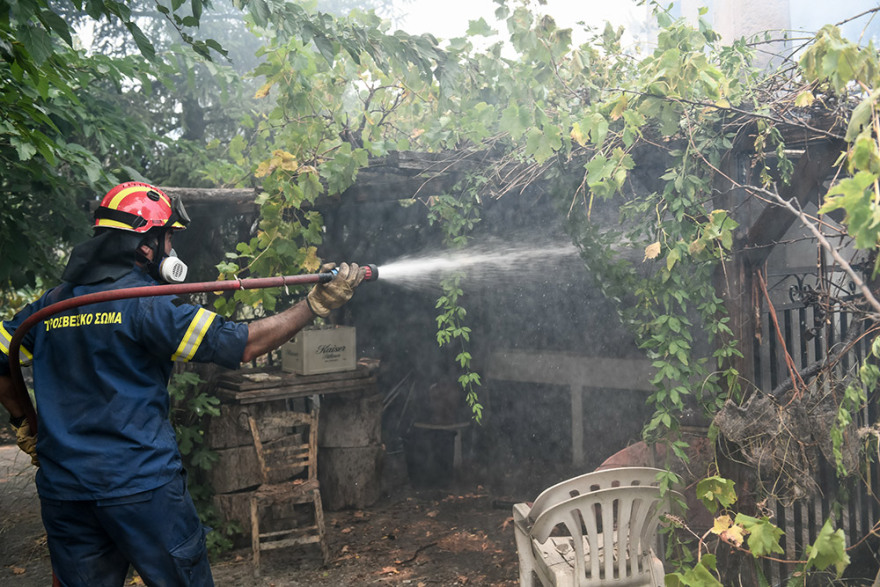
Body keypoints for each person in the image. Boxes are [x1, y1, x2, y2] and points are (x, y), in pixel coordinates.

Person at [0, 181, 365, 586]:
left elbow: (0, 362)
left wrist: (24, 423)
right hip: (142, 489)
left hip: (65, 492)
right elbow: (242, 344)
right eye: (168, 237)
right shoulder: (149, 305)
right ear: (145, 245)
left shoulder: (49, 306)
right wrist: (314, 305)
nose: (171, 250)